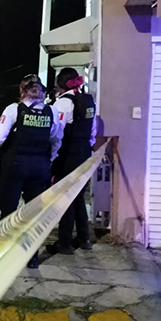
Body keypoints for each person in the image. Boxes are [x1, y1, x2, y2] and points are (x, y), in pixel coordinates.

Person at [0, 74, 64, 267]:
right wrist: (49, 159)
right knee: (33, 213)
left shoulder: (14, 109)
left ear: (22, 91)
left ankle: (4, 256)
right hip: (39, 167)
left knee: (8, 210)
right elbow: (56, 139)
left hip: (14, 166)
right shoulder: (51, 111)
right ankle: (31, 258)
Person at [48, 67, 97, 255]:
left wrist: (52, 156)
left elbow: (56, 133)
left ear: (61, 84)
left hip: (68, 155)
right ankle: (84, 238)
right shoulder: (89, 100)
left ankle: (65, 242)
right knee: (78, 196)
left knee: (65, 196)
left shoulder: (63, 103)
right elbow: (93, 130)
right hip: (84, 152)